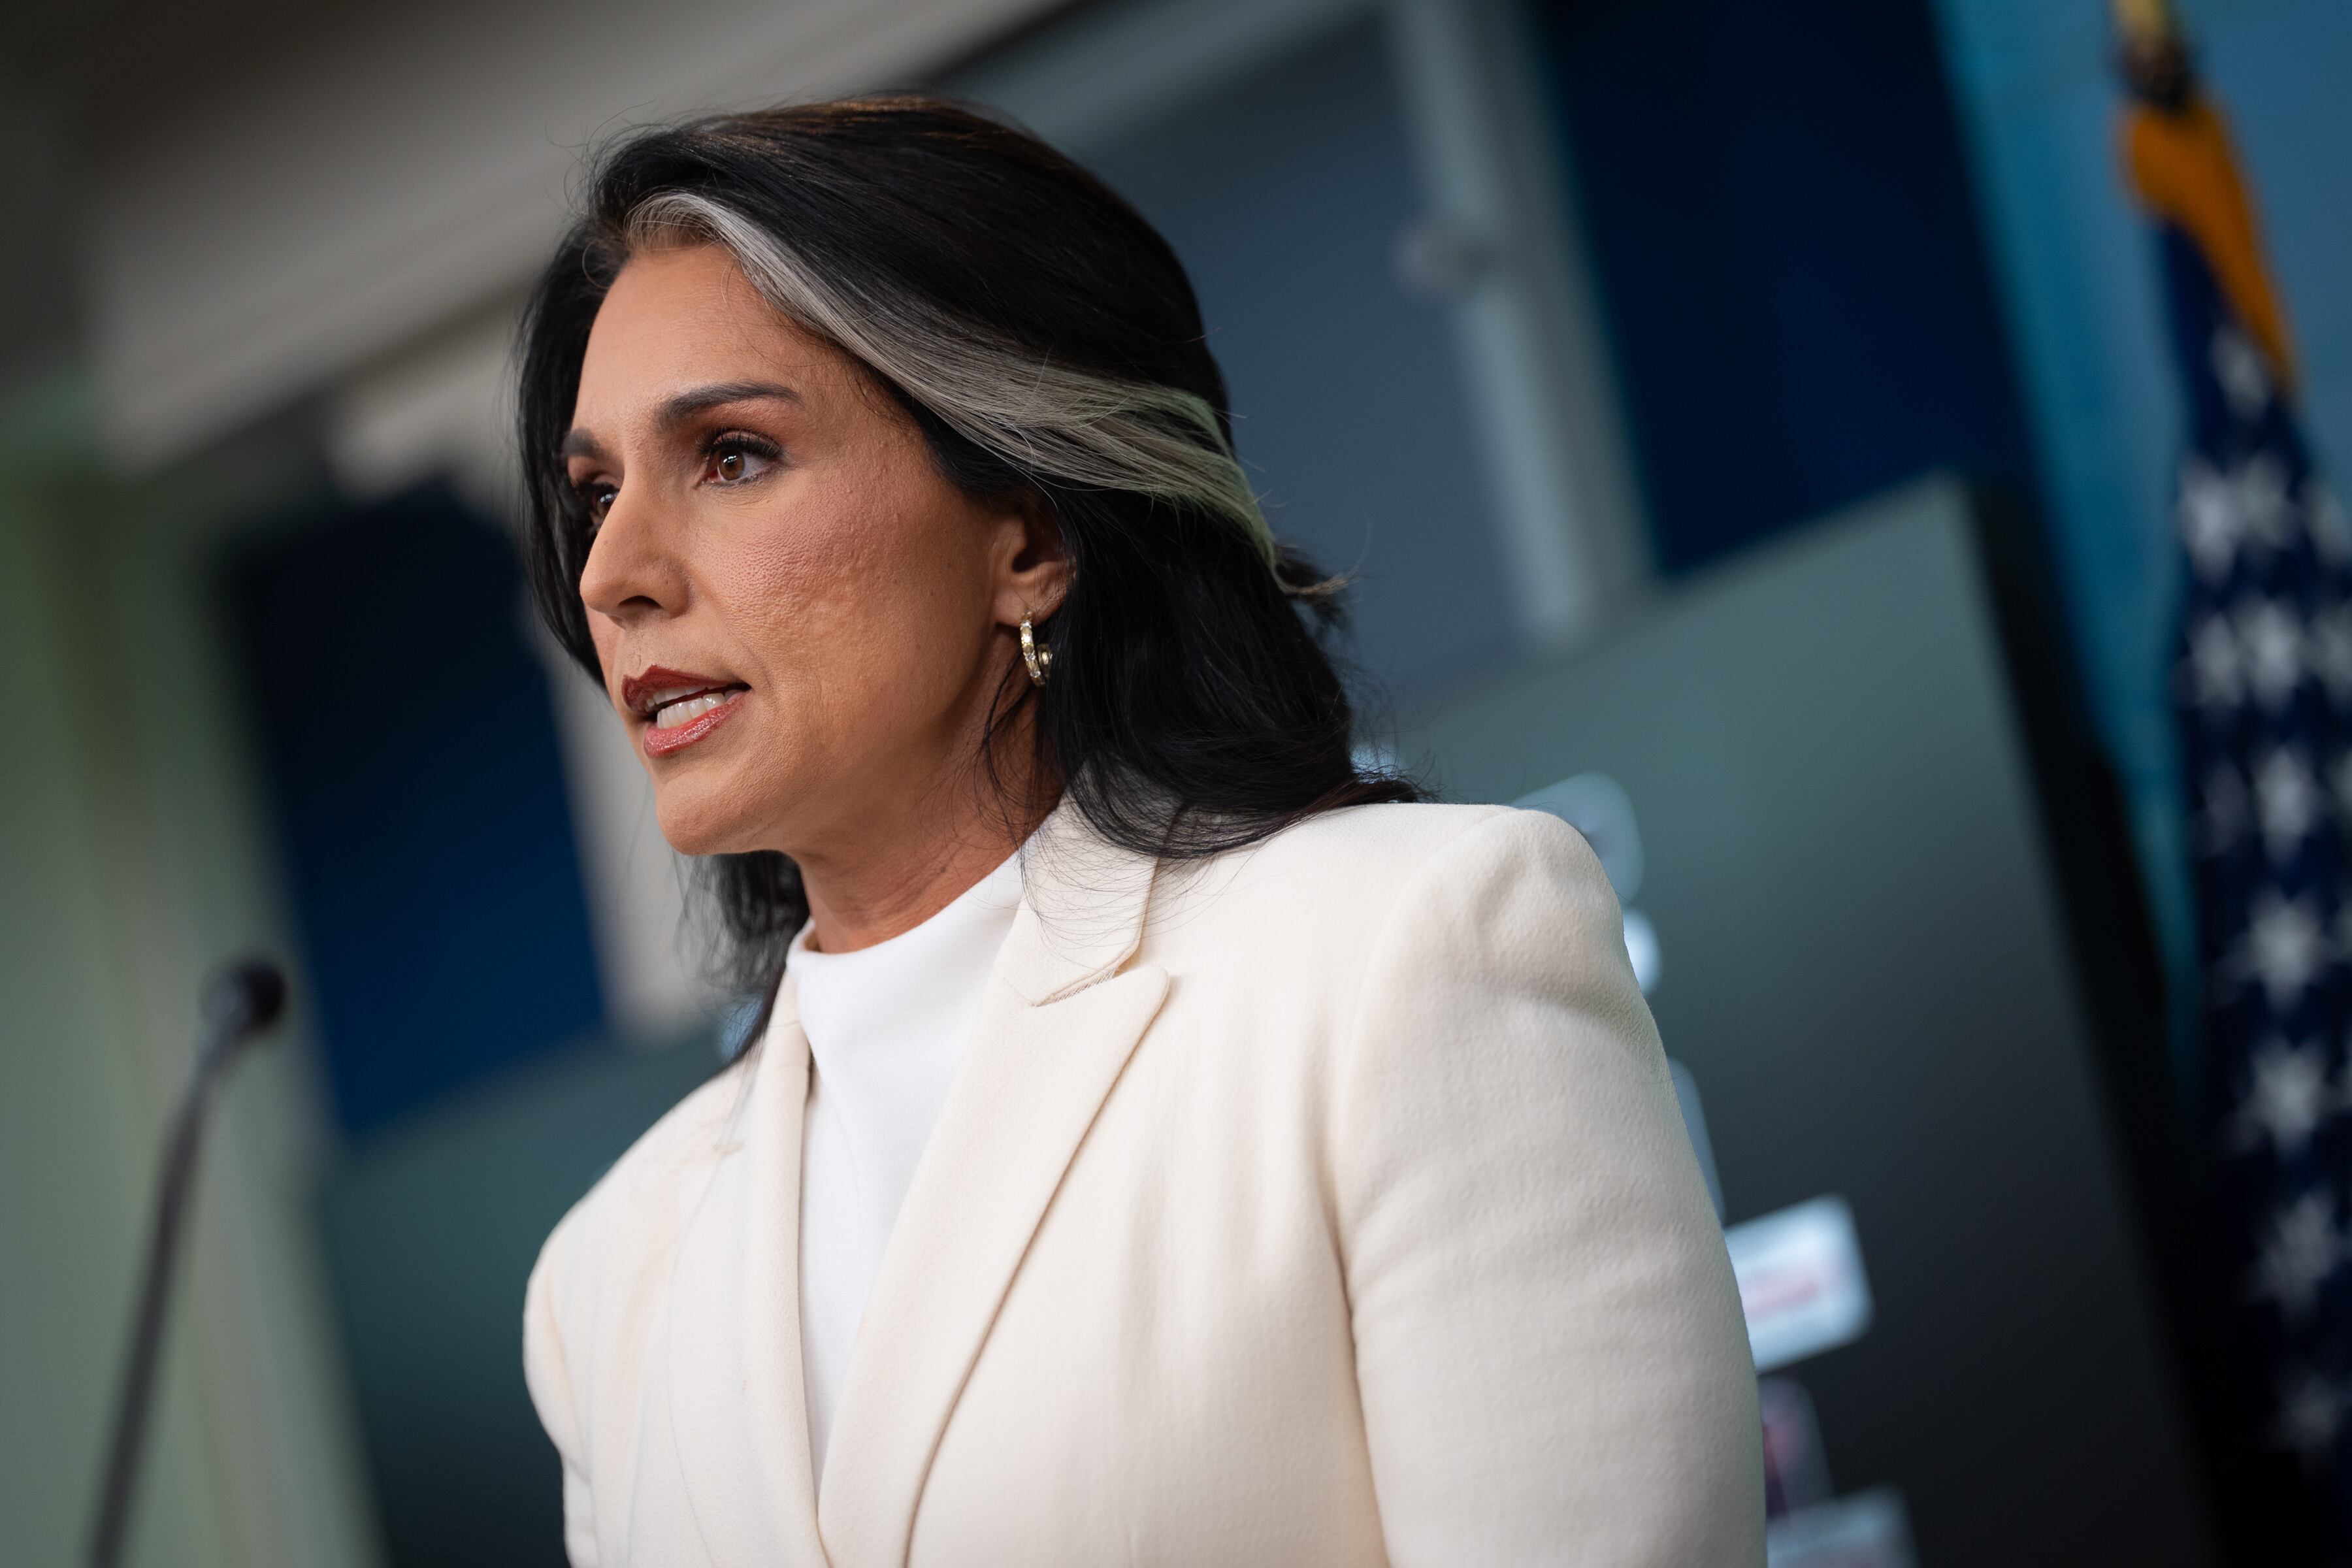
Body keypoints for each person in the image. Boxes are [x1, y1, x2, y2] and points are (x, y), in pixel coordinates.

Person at [516, 96, 1761, 1567]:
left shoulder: (1410, 955)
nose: (614, 574)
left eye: (730, 454)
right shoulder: (607, 1279)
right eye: (593, 495)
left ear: (1030, 539)